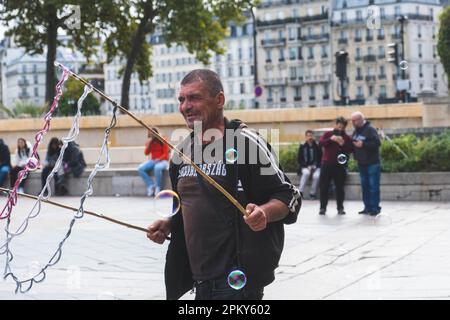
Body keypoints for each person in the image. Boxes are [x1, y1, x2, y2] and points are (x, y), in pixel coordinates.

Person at [146, 69, 301, 300]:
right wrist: (169, 223)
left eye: (195, 97)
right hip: (198, 278)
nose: (185, 106)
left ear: (219, 100)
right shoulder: (181, 152)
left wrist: (263, 213)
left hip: (235, 278)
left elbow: (288, 196)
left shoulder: (246, 144)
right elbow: (186, 203)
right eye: (182, 99)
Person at [318, 117, 353, 215]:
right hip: (326, 165)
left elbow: (350, 149)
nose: (340, 129)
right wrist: (330, 139)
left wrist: (342, 143)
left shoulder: (346, 137)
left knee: (340, 188)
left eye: (342, 127)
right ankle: (322, 208)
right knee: (324, 187)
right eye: (339, 126)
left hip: (340, 167)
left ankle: (340, 208)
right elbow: (320, 143)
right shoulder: (328, 134)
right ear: (336, 125)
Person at [351, 111, 382, 216]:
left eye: (354, 120)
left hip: (372, 163)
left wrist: (363, 144)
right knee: (365, 186)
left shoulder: (370, 129)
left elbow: (377, 143)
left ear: (360, 119)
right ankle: (367, 207)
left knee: (373, 186)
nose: (352, 122)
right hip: (361, 163)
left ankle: (375, 208)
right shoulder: (356, 131)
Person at [138, 128, 170, 197]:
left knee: (157, 168)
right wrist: (149, 143)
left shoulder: (163, 140)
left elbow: (166, 155)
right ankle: (151, 185)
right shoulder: (150, 142)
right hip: (153, 161)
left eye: (153, 133)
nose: (152, 135)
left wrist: (159, 159)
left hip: (163, 161)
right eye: (150, 134)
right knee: (140, 168)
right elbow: (146, 153)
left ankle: (158, 187)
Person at [297, 130, 322, 199]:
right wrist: (306, 166)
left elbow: (321, 158)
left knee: (316, 176)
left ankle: (312, 194)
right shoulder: (302, 146)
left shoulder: (317, 146)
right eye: (308, 136)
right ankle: (300, 192)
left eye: (311, 135)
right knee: (306, 173)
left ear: (313, 136)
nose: (310, 137)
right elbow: (299, 159)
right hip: (305, 167)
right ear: (306, 137)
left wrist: (315, 166)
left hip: (316, 167)